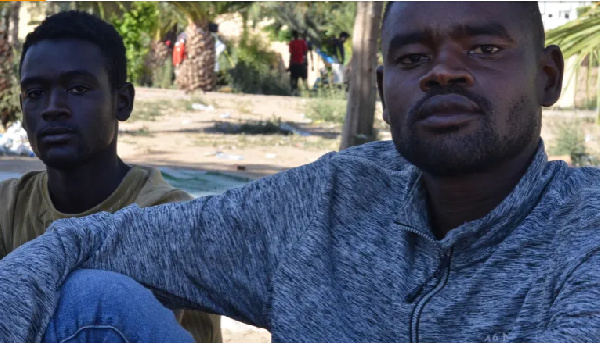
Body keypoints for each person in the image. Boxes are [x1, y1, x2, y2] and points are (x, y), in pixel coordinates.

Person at [3, 2, 600, 342]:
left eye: (484, 50)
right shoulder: (330, 198)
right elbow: (97, 237)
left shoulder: (585, 229)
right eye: (412, 58)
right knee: (93, 295)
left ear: (547, 77)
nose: (444, 72)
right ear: (382, 90)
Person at [0, 11, 221, 343]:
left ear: (123, 102)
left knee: (97, 296)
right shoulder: (9, 206)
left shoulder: (166, 218)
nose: (52, 107)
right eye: (35, 93)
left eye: (77, 88)